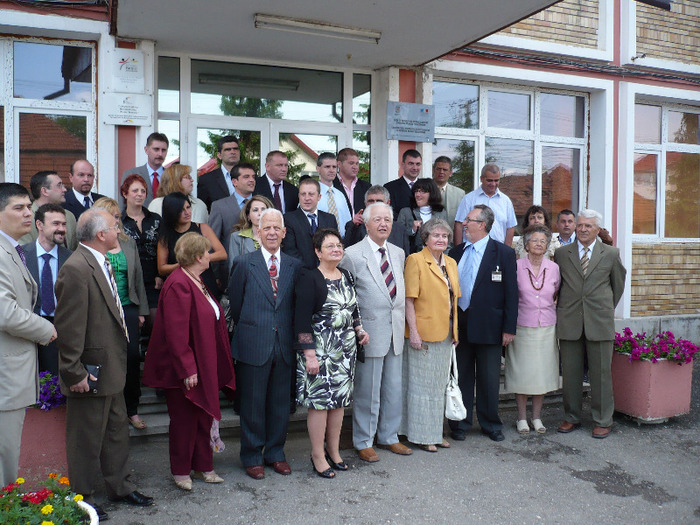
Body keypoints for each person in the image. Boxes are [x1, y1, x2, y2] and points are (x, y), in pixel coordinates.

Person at [55, 209, 153, 520]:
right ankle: (82, 499)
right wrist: (74, 372)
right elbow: (69, 327)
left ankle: (120, 487)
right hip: (89, 370)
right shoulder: (76, 268)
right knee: (85, 439)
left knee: (115, 433)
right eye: (114, 227)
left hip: (111, 366)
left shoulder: (99, 261)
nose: (119, 231)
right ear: (101, 235)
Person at [143, 232, 236, 490]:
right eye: (207, 251)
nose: (210, 255)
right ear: (198, 256)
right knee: (184, 420)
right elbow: (176, 332)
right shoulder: (179, 284)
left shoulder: (197, 279)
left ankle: (204, 467)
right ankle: (181, 471)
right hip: (184, 369)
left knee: (203, 416)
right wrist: (187, 367)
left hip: (203, 364)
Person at [229, 209, 302, 480]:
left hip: (283, 345)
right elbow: (236, 304)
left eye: (276, 228)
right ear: (257, 233)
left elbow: (295, 306)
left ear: (284, 233)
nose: (271, 232)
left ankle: (275, 453)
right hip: (253, 343)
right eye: (266, 228)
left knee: (280, 404)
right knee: (252, 404)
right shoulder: (244, 263)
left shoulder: (294, 265)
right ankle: (251, 455)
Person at [339, 202, 410, 463]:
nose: (383, 224)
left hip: (394, 330)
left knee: (393, 387)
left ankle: (389, 436)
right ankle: (363, 440)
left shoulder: (399, 252)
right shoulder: (352, 254)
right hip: (368, 331)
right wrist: (355, 329)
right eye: (377, 219)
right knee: (368, 390)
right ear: (366, 224)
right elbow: (347, 296)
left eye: (387, 220)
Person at [295, 229, 369, 478]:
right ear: (317, 252)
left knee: (339, 403)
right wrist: (309, 355)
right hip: (320, 352)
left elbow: (354, 307)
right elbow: (301, 321)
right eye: (330, 246)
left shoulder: (346, 274)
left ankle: (334, 451)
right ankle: (317, 454)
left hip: (344, 351)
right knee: (320, 404)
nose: (336, 249)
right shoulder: (309, 278)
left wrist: (359, 330)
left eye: (339, 245)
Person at [0, 183, 56, 487]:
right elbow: (5, 312)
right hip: (4, 373)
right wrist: (47, 328)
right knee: (4, 455)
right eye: (18, 207)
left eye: (28, 206)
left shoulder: (12, 248)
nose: (27, 213)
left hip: (10, 371)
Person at [554, 209, 626, 439]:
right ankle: (571, 417)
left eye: (588, 226)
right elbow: (559, 286)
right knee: (571, 373)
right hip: (570, 321)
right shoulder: (562, 253)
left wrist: (602, 308)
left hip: (599, 321)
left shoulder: (611, 253)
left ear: (597, 230)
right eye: (580, 225)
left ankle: (603, 419)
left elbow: (617, 287)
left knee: (601, 374)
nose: (583, 229)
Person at [448, 204, 518, 443]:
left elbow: (512, 293)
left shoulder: (504, 254)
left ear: (483, 224)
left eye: (469, 220)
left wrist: (509, 328)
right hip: (461, 326)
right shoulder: (455, 253)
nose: (464, 224)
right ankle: (460, 422)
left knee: (489, 379)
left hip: (491, 326)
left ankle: (490, 424)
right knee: (462, 377)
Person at [401, 217, 460, 452]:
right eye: (436, 235)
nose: (441, 239)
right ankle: (422, 436)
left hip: (445, 333)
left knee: (439, 387)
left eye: (445, 236)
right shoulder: (415, 260)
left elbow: (454, 300)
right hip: (422, 334)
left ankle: (436, 432)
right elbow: (408, 300)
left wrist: (455, 330)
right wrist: (413, 332)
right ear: (425, 238)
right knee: (421, 388)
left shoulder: (451, 263)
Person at [94, 197, 150, 430]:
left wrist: (142, 311)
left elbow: (137, 279)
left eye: (118, 217)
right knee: (107, 359)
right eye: (112, 218)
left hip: (128, 307)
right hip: (103, 310)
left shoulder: (128, 243)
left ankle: (132, 409)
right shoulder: (91, 245)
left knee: (131, 358)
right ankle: (110, 410)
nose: (118, 222)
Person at [505, 225, 560, 435]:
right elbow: (510, 295)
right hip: (522, 326)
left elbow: (555, 291)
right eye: (535, 240)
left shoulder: (554, 268)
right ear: (526, 245)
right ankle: (521, 418)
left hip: (546, 326)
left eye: (543, 241)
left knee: (542, 374)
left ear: (547, 246)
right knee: (522, 374)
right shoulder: (516, 266)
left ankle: (537, 417)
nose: (539, 244)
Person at [22, 203, 72, 376]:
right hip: (28, 328)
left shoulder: (71, 259)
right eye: (56, 224)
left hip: (60, 329)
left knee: (54, 382)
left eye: (64, 224)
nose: (61, 229)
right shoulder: (20, 255)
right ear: (39, 225)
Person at [157, 192, 226, 299]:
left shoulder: (202, 227)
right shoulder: (165, 236)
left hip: (206, 283)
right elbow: (161, 268)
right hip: (181, 286)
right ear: (172, 212)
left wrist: (200, 259)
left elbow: (222, 254)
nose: (187, 212)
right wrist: (183, 264)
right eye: (181, 210)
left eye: (188, 207)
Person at [120, 173, 162, 325]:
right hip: (130, 279)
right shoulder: (119, 221)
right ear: (125, 194)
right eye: (135, 191)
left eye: (143, 191)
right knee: (133, 323)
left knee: (155, 322)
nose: (140, 194)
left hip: (154, 279)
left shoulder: (156, 219)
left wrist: (160, 274)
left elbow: (163, 248)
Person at [209, 162, 258, 287]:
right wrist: (215, 275)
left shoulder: (262, 205)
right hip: (229, 271)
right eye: (246, 177)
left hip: (260, 269)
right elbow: (212, 241)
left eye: (253, 177)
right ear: (234, 182)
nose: (252, 180)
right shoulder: (219, 206)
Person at [454, 163, 517, 246]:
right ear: (481, 179)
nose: (493, 184)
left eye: (496, 180)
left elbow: (510, 227)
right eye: (489, 180)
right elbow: (459, 225)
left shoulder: (506, 201)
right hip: (472, 250)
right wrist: (458, 251)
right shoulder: (468, 199)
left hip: (498, 251)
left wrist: (506, 251)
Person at [282, 177, 338, 269]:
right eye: (303, 194)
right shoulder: (288, 219)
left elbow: (334, 248)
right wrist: (312, 274)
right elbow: (290, 251)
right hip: (301, 275)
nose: (307, 198)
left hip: (326, 274)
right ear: (298, 196)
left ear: (319, 197)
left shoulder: (330, 219)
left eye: (311, 194)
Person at [343, 185, 411, 257]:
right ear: (365, 204)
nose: (375, 204)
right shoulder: (356, 226)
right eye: (371, 201)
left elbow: (405, 258)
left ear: (388, 203)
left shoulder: (400, 229)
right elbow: (347, 253)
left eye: (379, 201)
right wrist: (354, 225)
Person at [19, 170, 78, 250]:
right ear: (44, 191)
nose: (64, 189)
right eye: (59, 185)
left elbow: (74, 250)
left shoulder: (69, 216)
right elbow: (25, 254)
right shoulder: (26, 218)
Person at [396, 178, 448, 253]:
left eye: (422, 191)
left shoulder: (441, 212)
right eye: (416, 191)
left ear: (432, 193)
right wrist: (412, 230)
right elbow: (397, 237)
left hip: (435, 259)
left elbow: (446, 239)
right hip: (413, 259)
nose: (417, 194)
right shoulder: (406, 212)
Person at [121, 132, 169, 208]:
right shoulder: (131, 174)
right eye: (156, 149)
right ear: (146, 150)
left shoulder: (172, 177)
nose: (160, 154)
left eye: (163, 150)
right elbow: (123, 205)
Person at [227, 195, 273, 274]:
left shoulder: (276, 235)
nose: (260, 213)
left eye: (263, 210)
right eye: (255, 210)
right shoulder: (237, 237)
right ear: (248, 216)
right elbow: (234, 269)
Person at [197, 135, 241, 211]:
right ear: (219, 155)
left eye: (235, 149)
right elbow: (203, 210)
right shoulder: (207, 180)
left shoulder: (251, 177)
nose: (233, 152)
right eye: (228, 149)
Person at [316, 152, 352, 236]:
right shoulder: (311, 194)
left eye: (334, 167)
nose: (331, 170)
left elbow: (348, 222)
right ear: (318, 169)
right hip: (319, 243)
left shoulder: (340, 195)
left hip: (342, 243)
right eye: (327, 167)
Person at [333, 147, 371, 217]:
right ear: (339, 164)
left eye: (357, 163)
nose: (355, 167)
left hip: (360, 227)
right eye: (351, 163)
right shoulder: (331, 185)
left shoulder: (366, 187)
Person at [384, 149, 423, 218]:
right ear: (403, 165)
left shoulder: (426, 187)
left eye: (418, 164)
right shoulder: (390, 187)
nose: (415, 168)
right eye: (411, 164)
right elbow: (390, 213)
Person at [432, 156, 465, 227]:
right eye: (438, 169)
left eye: (445, 170)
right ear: (433, 170)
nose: (441, 172)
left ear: (450, 173)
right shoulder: (424, 190)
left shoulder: (460, 194)